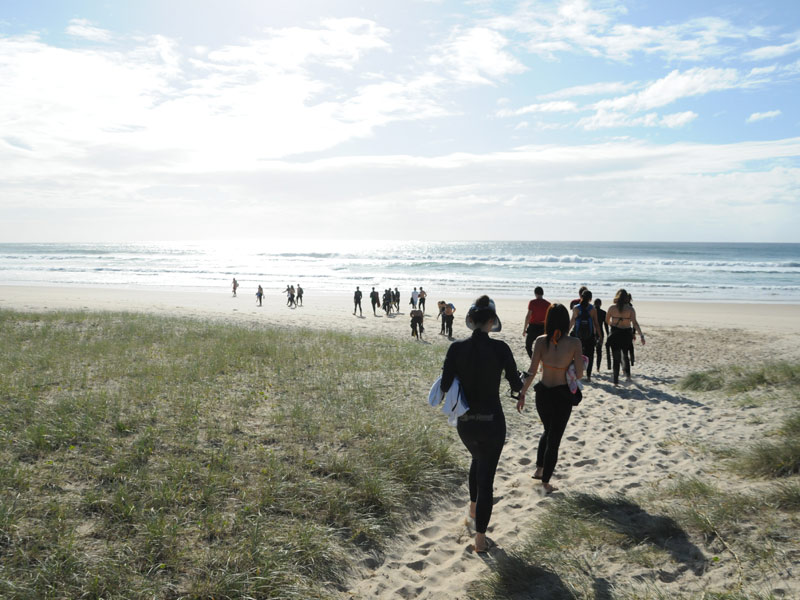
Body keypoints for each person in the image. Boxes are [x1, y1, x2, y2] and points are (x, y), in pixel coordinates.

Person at [441, 296, 523, 553]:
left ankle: (473, 507)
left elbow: (445, 384)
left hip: (466, 423)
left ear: (470, 320)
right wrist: (523, 379)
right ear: (491, 322)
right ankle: (479, 539)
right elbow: (516, 384)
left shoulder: (456, 348)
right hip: (492, 422)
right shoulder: (501, 349)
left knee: (477, 459)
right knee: (486, 477)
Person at [517, 304, 583, 494]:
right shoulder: (574, 343)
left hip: (543, 393)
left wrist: (522, 394)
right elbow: (579, 374)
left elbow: (531, 371)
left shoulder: (540, 341)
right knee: (554, 438)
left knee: (548, 430)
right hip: (562, 395)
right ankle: (546, 483)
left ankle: (539, 469)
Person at [606, 289, 645, 385]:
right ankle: (628, 376)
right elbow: (635, 323)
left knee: (616, 359)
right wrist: (641, 335)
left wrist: (613, 324)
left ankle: (615, 381)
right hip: (626, 335)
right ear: (626, 298)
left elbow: (606, 320)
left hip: (615, 334)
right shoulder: (630, 309)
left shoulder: (612, 308)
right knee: (625, 355)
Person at [569, 290, 601, 381]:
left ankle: (577, 373)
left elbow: (572, 321)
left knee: (577, 355)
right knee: (590, 355)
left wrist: (566, 332)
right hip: (589, 336)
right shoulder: (593, 309)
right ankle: (588, 376)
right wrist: (600, 336)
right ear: (590, 299)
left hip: (577, 336)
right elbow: (596, 324)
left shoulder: (576, 308)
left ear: (581, 297)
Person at [523, 286, 551, 358]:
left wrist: (524, 329)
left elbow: (528, 316)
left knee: (528, 346)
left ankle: (533, 359)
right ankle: (541, 360)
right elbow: (549, 318)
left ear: (535, 293)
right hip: (543, 327)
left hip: (533, 327)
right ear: (542, 293)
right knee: (544, 347)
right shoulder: (548, 304)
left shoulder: (532, 302)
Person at [593, 298, 609, 371]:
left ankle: (589, 367)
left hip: (592, 333)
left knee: (590, 351)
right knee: (599, 351)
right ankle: (598, 368)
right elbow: (606, 326)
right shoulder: (603, 313)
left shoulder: (591, 312)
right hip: (600, 334)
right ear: (600, 304)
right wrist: (608, 334)